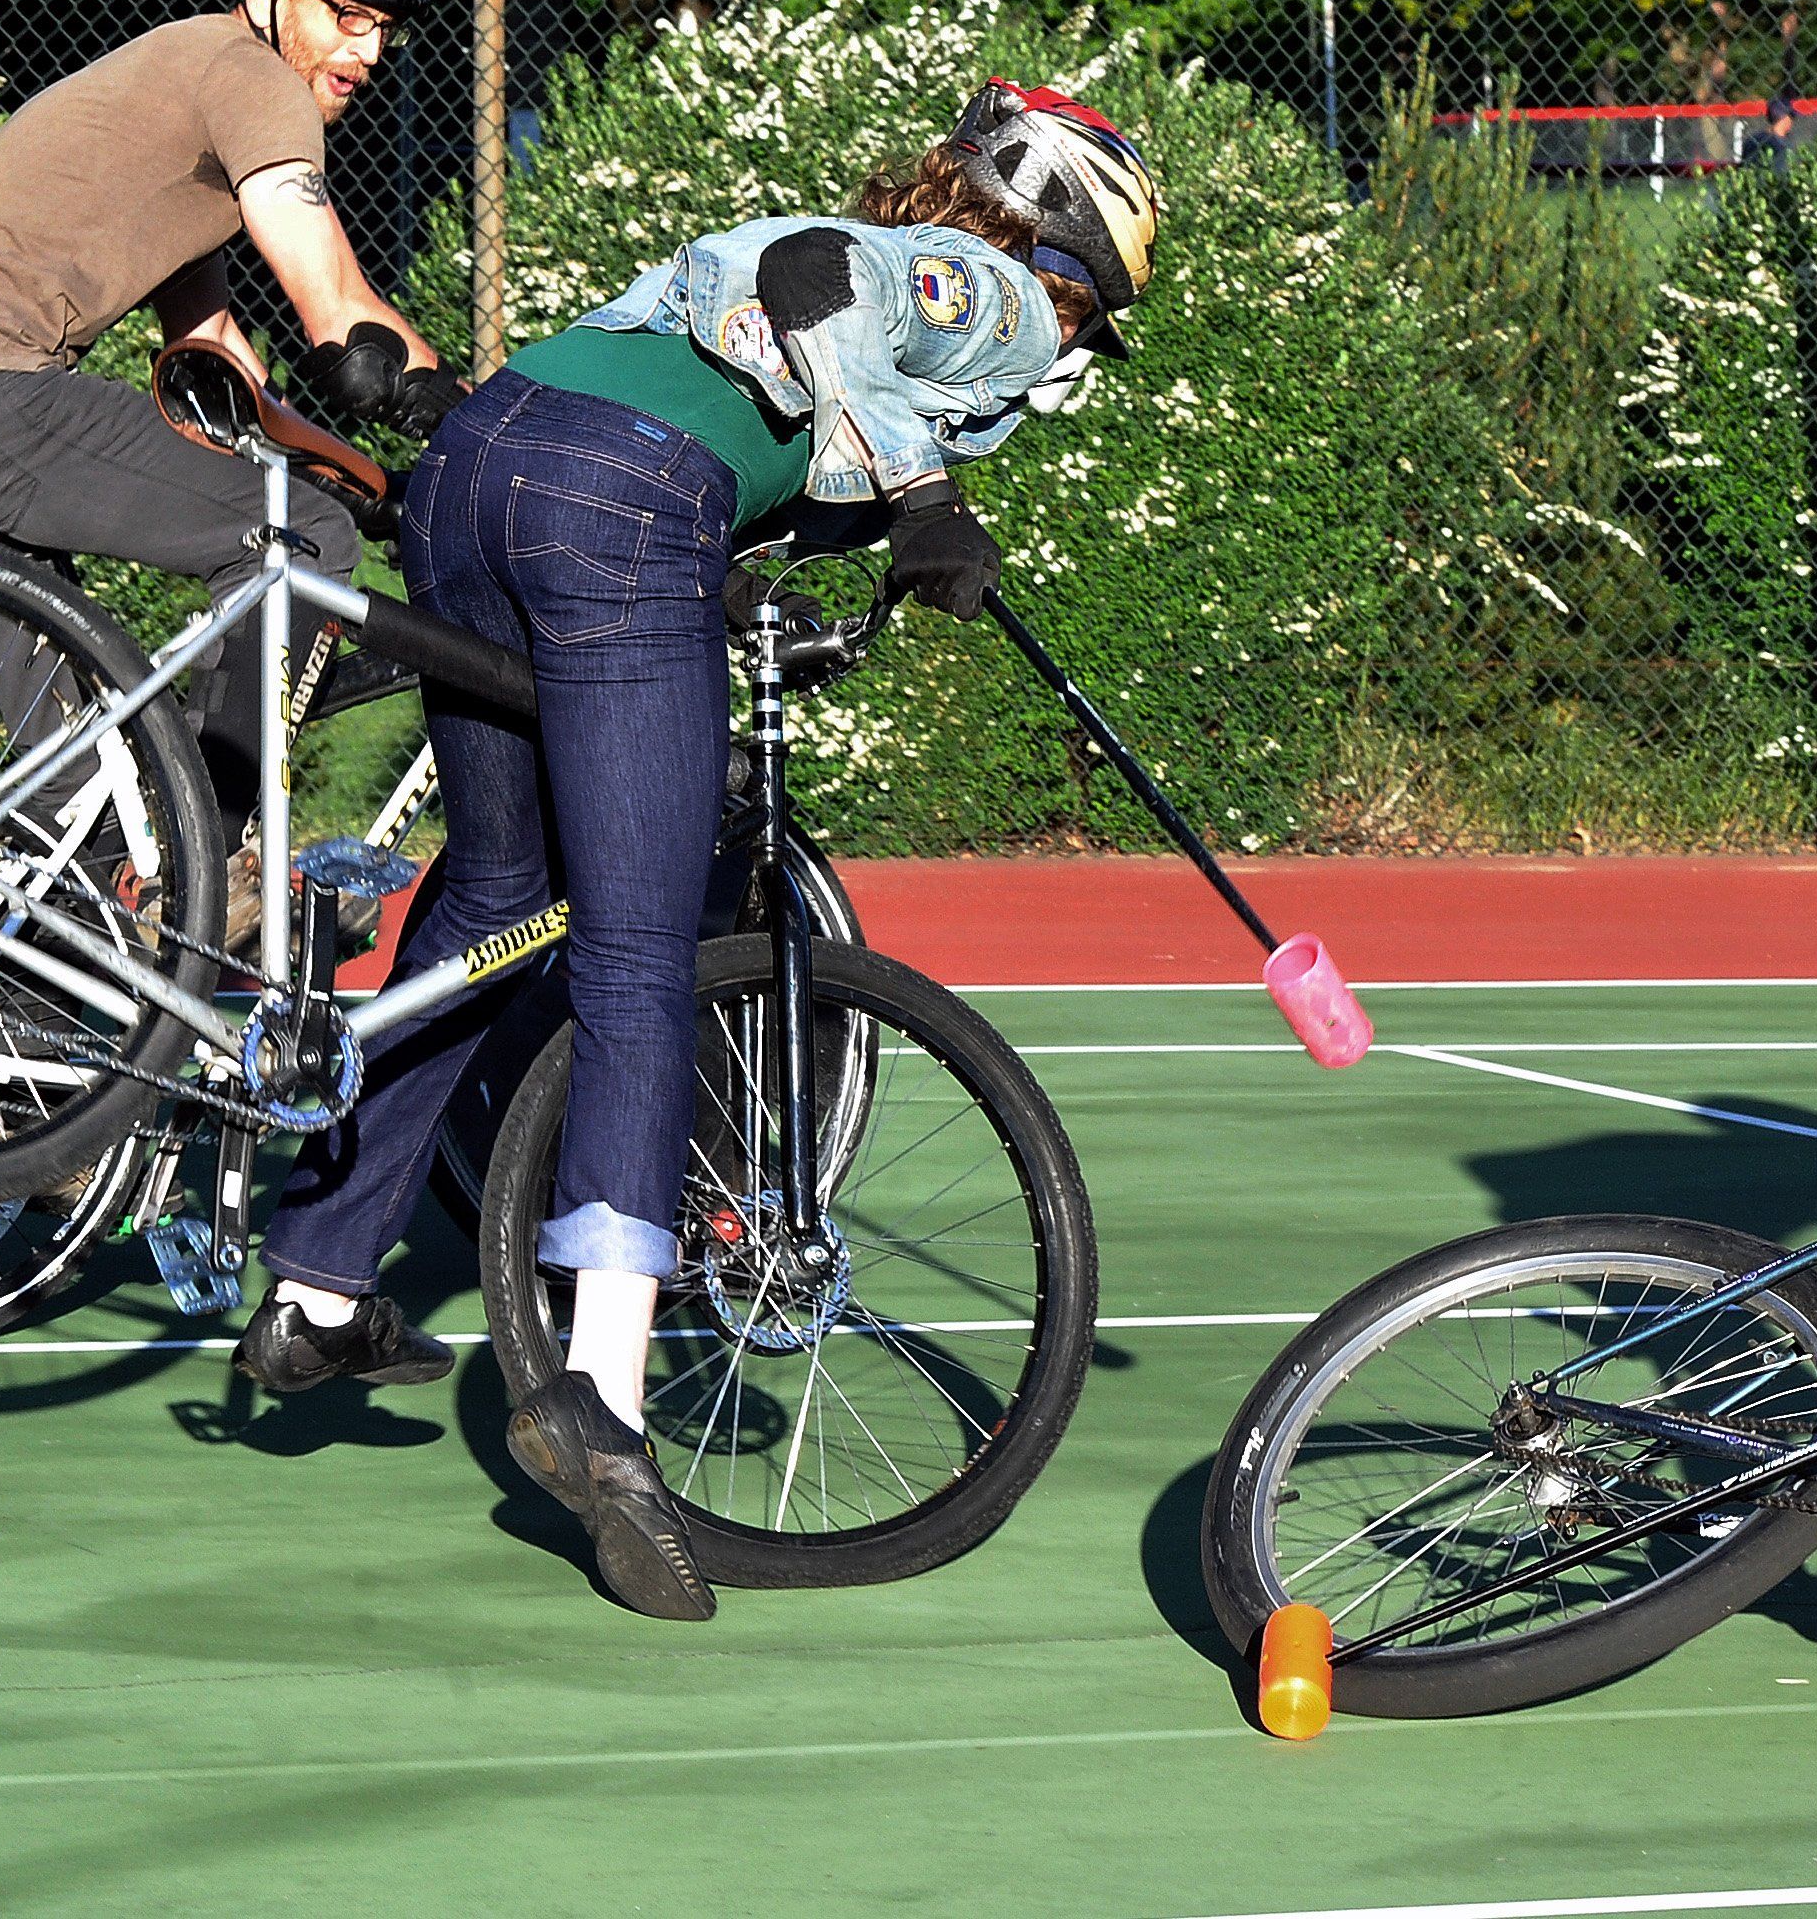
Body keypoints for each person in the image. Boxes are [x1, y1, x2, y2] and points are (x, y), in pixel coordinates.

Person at [230, 81, 1159, 1620]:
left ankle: (321, 1287)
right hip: (614, 504)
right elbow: (817, 281)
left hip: (482, 469)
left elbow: (696, 393)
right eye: (1094, 327)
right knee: (641, 954)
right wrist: (929, 497)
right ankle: (597, 1393)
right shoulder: (987, 289)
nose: (1072, 359)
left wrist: (731, 567)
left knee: (493, 895)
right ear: (1067, 258)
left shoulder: (860, 278)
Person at [0, 0, 465, 873]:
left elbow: (219, 383)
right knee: (307, 539)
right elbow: (344, 320)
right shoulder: (248, 76)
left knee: (92, 778)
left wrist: (360, 476)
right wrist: (475, 429)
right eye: (345, 16)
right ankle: (208, 858)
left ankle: (37, 1013)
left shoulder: (180, 111)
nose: (369, 51)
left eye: (384, 27)